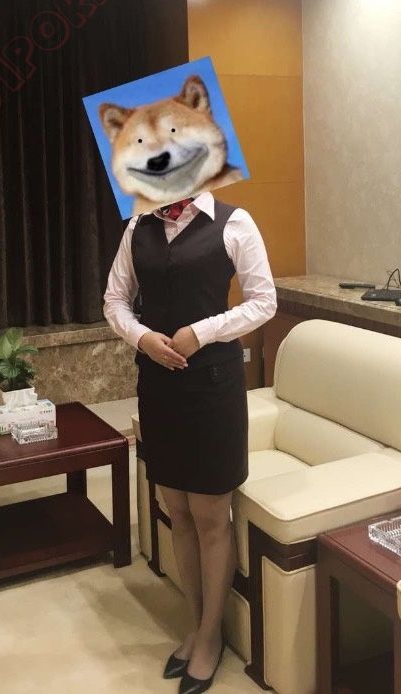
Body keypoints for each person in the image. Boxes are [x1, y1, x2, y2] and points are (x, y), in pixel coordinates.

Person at [104, 192, 276, 693]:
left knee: (209, 515)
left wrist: (203, 331)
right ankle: (196, 625)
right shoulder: (137, 227)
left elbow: (264, 300)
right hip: (158, 386)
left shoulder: (234, 222)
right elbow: (115, 299)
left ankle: (212, 635)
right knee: (176, 509)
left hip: (213, 387)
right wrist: (141, 337)